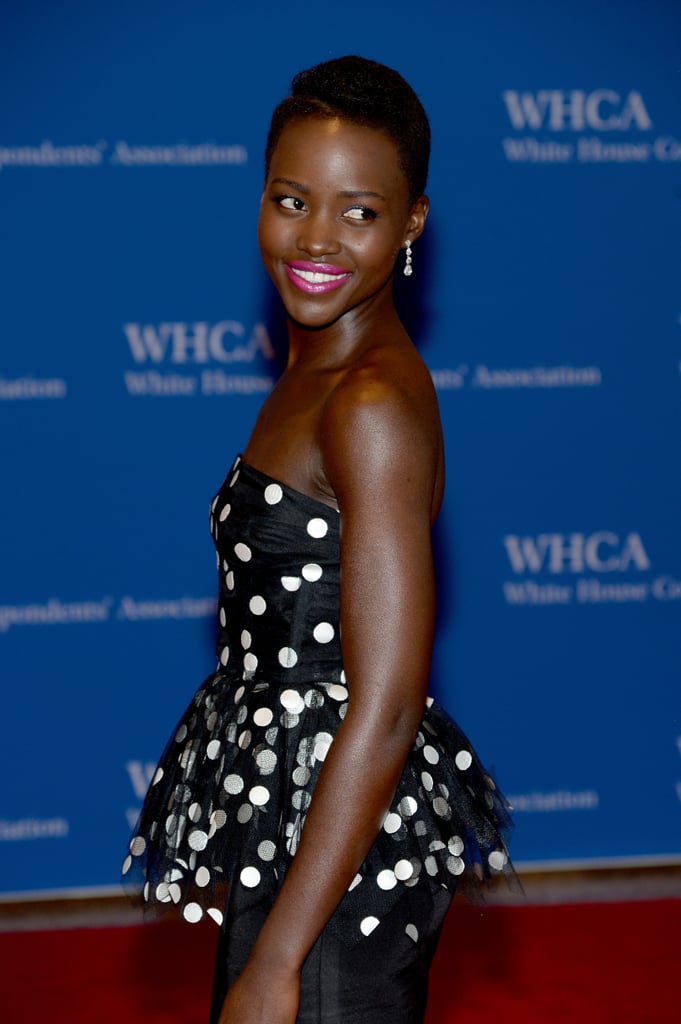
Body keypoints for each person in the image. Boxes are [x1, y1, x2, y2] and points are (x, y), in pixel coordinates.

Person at [122, 55, 514, 1024]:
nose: (316, 239)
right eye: (292, 199)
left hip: (342, 868)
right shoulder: (321, 365)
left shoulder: (370, 404)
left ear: (413, 223)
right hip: (302, 835)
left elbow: (384, 706)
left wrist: (274, 962)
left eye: (360, 212)